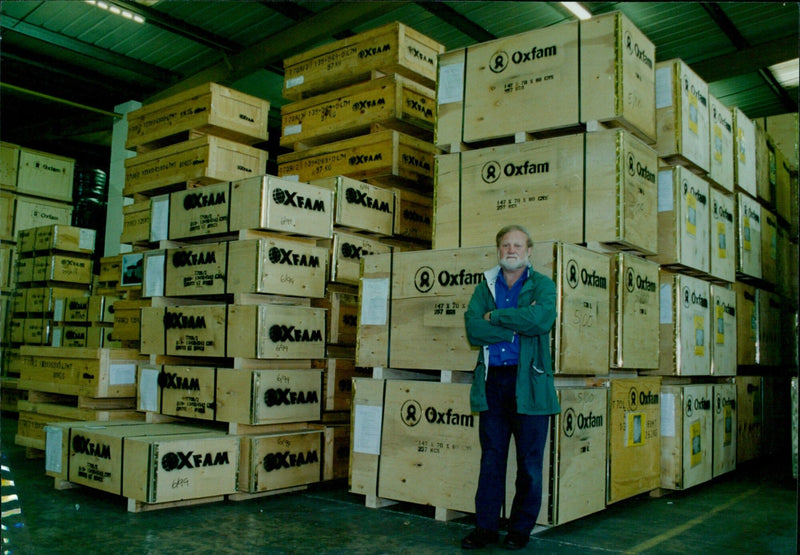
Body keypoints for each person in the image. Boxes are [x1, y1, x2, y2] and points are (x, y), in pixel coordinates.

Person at [461, 224, 560, 551]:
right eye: (505, 245)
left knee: (530, 463)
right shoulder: (485, 286)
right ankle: (485, 529)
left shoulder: (543, 285)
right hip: (493, 383)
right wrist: (511, 329)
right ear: (498, 250)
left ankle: (520, 530)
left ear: (529, 251)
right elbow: (474, 329)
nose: (511, 250)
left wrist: (497, 317)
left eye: (517, 245)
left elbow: (541, 320)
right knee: (491, 459)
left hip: (529, 382)